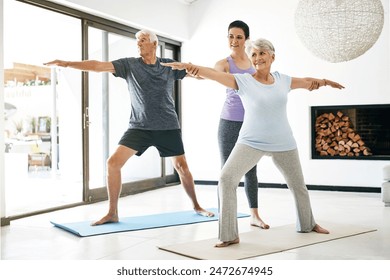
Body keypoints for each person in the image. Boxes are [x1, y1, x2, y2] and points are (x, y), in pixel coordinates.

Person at [162, 38, 344, 247]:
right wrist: (191, 67)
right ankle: (229, 235)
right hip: (251, 141)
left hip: (283, 141)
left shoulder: (283, 80)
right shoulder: (243, 81)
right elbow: (214, 74)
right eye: (254, 55)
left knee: (298, 186)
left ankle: (308, 224)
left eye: (262, 53)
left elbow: (305, 81)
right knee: (227, 178)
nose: (257, 58)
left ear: (272, 56)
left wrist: (324, 81)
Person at [44, 29, 214, 226]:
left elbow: (200, 76)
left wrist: (195, 68)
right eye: (137, 41)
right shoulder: (129, 65)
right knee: (113, 163)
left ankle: (197, 206)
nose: (139, 44)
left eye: (142, 40)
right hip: (139, 127)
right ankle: (112, 212)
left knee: (181, 167)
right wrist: (66, 63)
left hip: (167, 125)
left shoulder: (169, 66)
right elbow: (98, 66)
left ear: (154, 44)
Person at [215, 20, 269, 229]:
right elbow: (213, 73)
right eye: (231, 36)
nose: (234, 40)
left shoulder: (255, 61)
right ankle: (224, 218)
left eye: (239, 37)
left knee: (251, 170)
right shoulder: (224, 63)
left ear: (246, 39)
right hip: (229, 121)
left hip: (252, 123)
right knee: (226, 172)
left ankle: (254, 215)